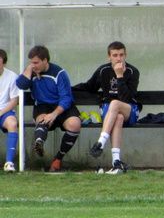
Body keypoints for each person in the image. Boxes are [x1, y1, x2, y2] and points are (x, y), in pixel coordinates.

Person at [15, 45, 81, 172]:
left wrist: (54, 114)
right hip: (42, 106)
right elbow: (20, 85)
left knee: (75, 124)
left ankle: (57, 159)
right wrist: (28, 70)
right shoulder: (31, 72)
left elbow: (66, 98)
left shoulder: (59, 73)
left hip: (62, 106)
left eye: (36, 62)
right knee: (42, 120)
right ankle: (39, 143)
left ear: (45, 60)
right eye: (31, 62)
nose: (33, 65)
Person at [77, 41, 140, 175]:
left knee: (116, 104)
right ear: (109, 57)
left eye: (121, 55)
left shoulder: (133, 71)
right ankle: (116, 163)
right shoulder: (103, 70)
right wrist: (69, 89)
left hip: (129, 109)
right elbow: (89, 86)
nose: (118, 58)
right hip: (110, 113)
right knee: (118, 117)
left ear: (125, 55)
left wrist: (119, 76)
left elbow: (127, 98)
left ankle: (100, 142)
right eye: (115, 55)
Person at [0, 49, 19, 172]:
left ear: (4, 63)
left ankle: (9, 163)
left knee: (12, 123)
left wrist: (0, 113)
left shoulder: (12, 76)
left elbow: (14, 101)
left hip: (5, 112)